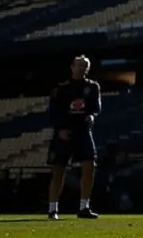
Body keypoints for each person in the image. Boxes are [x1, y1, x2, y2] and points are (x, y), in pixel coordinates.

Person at [46, 55, 102, 220]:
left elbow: (95, 108)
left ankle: (84, 207)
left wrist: (91, 116)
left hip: (82, 131)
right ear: (72, 67)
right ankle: (52, 209)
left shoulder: (92, 87)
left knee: (89, 165)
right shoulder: (61, 88)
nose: (81, 69)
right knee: (58, 169)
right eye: (78, 65)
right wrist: (60, 129)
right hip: (64, 131)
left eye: (85, 66)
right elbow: (53, 111)